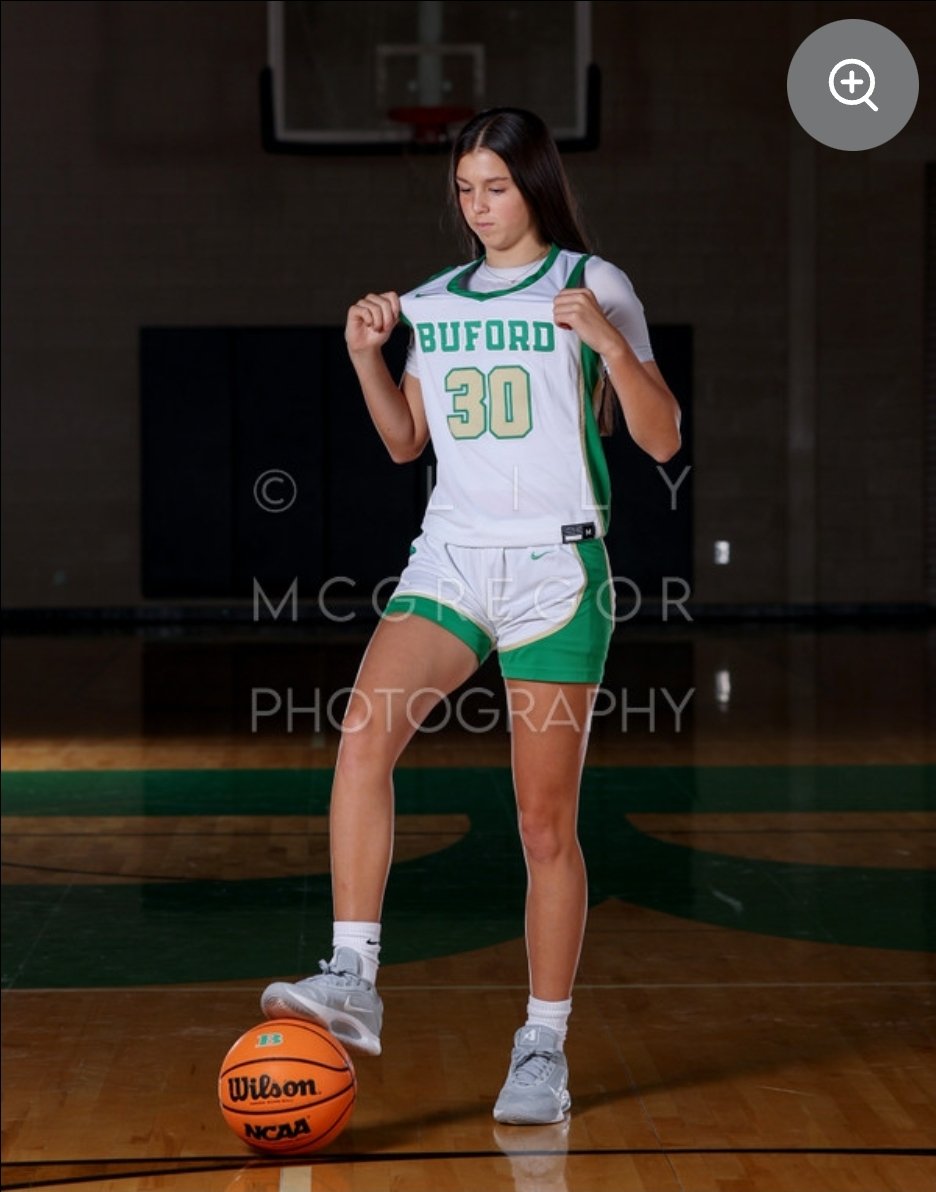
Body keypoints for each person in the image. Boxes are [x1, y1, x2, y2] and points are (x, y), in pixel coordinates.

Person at [261, 107, 681, 1126]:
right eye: (464, 190)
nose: (478, 206)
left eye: (494, 185)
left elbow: (664, 438)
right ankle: (353, 975)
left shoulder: (595, 284)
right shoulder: (436, 302)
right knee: (362, 738)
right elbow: (406, 442)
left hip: (555, 570)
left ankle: (542, 1045)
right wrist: (367, 354)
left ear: (534, 183)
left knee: (543, 824)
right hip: (451, 559)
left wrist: (606, 344)